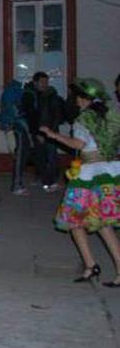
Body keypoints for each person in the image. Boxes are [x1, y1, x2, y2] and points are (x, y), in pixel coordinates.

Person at [39, 78, 120, 285]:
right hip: (108, 173)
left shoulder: (84, 119)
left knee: (74, 220)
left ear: (86, 98)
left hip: (88, 175)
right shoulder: (111, 116)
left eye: (78, 96)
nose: (76, 100)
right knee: (103, 224)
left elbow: (78, 143)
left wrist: (53, 135)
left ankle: (91, 265)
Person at [23, 71, 66, 192]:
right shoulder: (31, 95)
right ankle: (46, 182)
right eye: (42, 82)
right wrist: (37, 133)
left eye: (46, 82)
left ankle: (49, 181)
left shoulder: (50, 96)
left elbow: (55, 116)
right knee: (41, 157)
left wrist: (50, 132)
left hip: (50, 131)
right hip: (39, 131)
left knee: (51, 157)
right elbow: (31, 116)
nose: (45, 84)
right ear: (35, 82)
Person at [0, 79, 32, 195]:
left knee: (20, 154)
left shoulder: (9, 92)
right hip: (19, 126)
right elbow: (14, 110)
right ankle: (16, 185)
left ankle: (18, 184)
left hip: (16, 125)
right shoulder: (16, 92)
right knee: (20, 155)